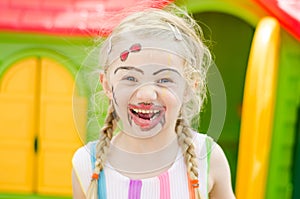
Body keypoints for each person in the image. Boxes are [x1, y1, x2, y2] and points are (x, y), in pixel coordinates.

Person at [72, 3, 236, 199]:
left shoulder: (208, 158)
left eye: (164, 80)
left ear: (189, 86)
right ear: (107, 85)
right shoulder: (86, 165)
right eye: (130, 78)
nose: (146, 96)